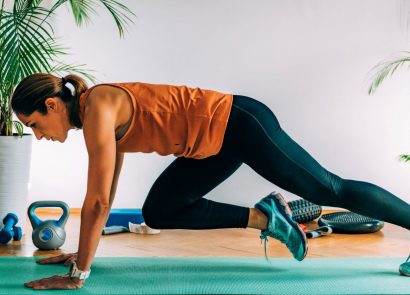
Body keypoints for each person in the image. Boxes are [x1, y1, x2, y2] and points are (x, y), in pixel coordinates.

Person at [11, 73, 410, 290]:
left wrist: (77, 276)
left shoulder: (98, 105)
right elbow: (106, 193)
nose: (38, 134)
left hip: (240, 123)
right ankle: (266, 217)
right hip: (212, 145)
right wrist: (83, 256)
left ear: (51, 105)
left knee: (329, 188)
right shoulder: (95, 114)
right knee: (161, 209)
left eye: (34, 125)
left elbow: (96, 202)